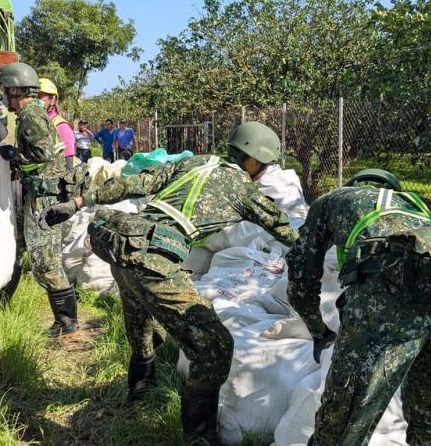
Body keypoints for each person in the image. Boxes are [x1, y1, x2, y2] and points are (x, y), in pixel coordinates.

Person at [41, 122, 299, 444]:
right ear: (253, 160)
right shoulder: (245, 190)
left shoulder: (195, 162)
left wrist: (80, 202)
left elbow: (137, 182)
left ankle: (139, 393)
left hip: (122, 244)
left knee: (142, 320)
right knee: (216, 347)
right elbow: (288, 232)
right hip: (154, 258)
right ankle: (199, 438)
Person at [286, 169, 431, 446]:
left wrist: (318, 331)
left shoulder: (332, 200)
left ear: (356, 185)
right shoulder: (415, 207)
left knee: (343, 422)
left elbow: (302, 277)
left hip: (386, 300)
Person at [0, 62, 79, 337]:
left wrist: (13, 156)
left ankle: (67, 323)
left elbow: (42, 154)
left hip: (44, 199)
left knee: (46, 263)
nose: (4, 96)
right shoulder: (32, 112)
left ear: (16, 89)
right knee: (19, 248)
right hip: (39, 193)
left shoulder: (30, 115)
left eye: (6, 90)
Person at [38, 78, 76, 171]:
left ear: (53, 99)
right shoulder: (35, 122)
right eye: (33, 96)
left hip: (52, 182)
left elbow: (69, 165)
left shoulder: (61, 126)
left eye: (39, 96)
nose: (35, 100)